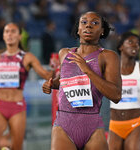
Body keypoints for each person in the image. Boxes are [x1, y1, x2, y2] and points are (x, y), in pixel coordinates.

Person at [42, 11, 122, 150]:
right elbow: (63, 79)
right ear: (78, 29)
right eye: (84, 22)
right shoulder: (64, 53)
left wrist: (88, 70)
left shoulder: (108, 56)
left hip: (92, 125)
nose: (88, 26)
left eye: (95, 23)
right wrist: (51, 84)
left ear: (102, 31)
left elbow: (116, 95)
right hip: (64, 124)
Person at [0, 22, 53, 150]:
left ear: (19, 36)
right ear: (3, 36)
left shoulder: (27, 57)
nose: (9, 34)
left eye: (13, 31)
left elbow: (46, 74)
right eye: (6, 31)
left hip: (17, 106)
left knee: (17, 147)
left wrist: (55, 69)